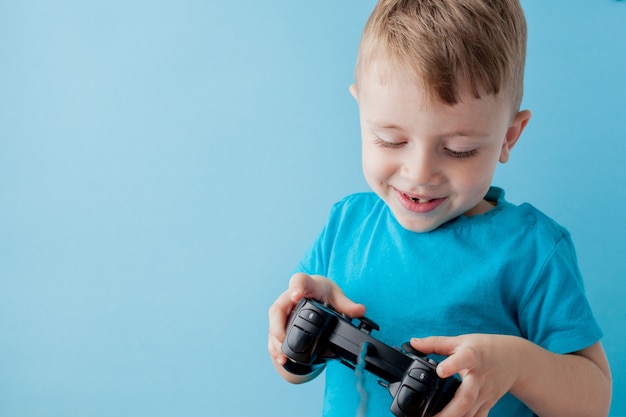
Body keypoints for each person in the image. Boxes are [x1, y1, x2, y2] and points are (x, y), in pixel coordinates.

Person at [267, 0, 612, 416]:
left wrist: (516, 365)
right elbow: (293, 371)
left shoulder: (532, 251)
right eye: (391, 141)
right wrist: (298, 328)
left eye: (458, 150)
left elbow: (594, 402)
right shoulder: (347, 225)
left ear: (509, 137)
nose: (419, 173)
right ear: (361, 109)